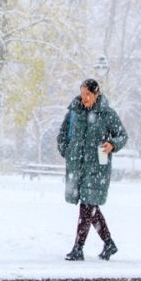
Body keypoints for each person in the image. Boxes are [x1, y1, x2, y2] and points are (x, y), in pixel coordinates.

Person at [57, 78, 128, 261]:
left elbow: (122, 135)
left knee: (87, 207)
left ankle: (78, 248)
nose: (84, 98)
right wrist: (67, 150)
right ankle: (109, 243)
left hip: (97, 169)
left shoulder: (107, 114)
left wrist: (112, 144)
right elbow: (62, 134)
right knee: (91, 209)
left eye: (88, 94)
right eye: (82, 94)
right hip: (77, 167)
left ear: (97, 94)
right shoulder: (74, 112)